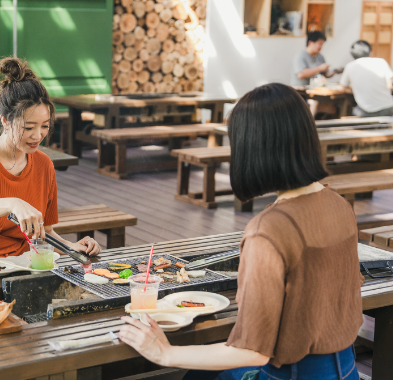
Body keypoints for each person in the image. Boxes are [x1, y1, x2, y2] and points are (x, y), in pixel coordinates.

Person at [119, 83, 363, 380]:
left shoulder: (268, 230)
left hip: (292, 374)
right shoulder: (339, 204)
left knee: (195, 374)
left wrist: (165, 353)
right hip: (346, 370)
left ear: (253, 148)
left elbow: (252, 351)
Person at [0, 57, 100, 271]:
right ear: (5, 121)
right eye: (28, 127)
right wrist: (12, 203)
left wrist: (71, 246)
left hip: (20, 263)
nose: (38, 135)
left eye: (45, 126)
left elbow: (44, 232)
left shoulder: (44, 164)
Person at [291, 31, 341, 117]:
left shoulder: (320, 57)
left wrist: (335, 71)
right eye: (319, 44)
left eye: (322, 44)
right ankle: (310, 124)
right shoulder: (300, 56)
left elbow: (326, 74)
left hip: (316, 90)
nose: (321, 47)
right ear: (310, 43)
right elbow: (301, 74)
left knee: (334, 105)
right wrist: (319, 68)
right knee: (314, 102)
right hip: (301, 91)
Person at [339, 40, 393, 117]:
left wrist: (356, 90)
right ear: (370, 52)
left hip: (367, 112)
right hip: (388, 109)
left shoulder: (350, 66)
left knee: (354, 110)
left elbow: (343, 87)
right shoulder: (381, 62)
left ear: (352, 54)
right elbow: (389, 87)